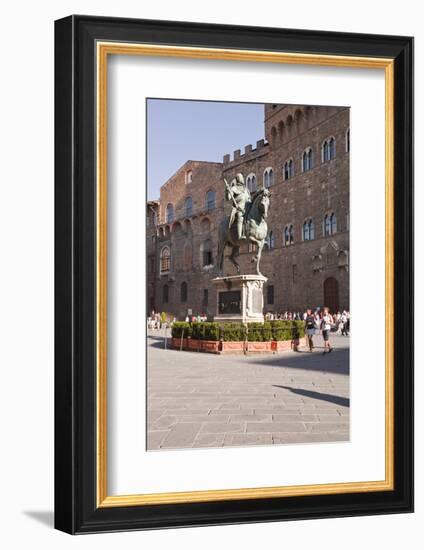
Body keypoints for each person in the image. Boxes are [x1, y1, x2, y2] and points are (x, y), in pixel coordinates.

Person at [224, 173, 251, 240]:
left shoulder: (246, 189)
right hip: (238, 209)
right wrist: (227, 191)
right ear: (238, 179)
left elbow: (249, 199)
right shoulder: (234, 188)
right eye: (241, 177)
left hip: (247, 208)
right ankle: (239, 236)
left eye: (242, 177)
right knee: (240, 216)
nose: (242, 179)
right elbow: (228, 198)